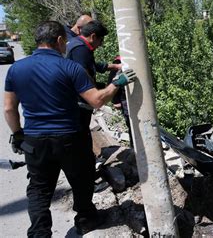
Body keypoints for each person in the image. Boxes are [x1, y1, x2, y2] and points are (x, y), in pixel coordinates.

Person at [3, 21, 137, 236]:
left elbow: (9, 109)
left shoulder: (16, 69)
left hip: (35, 140)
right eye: (65, 42)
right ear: (58, 41)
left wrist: (18, 135)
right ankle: (86, 220)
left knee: (39, 189)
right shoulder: (71, 67)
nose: (66, 45)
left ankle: (39, 233)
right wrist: (116, 83)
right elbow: (96, 100)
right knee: (81, 180)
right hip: (69, 138)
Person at [66, 20, 122, 165]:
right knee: (81, 136)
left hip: (76, 100)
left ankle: (85, 164)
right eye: (101, 40)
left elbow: (93, 65)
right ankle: (85, 168)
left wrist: (114, 66)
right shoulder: (80, 49)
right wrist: (99, 91)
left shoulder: (78, 44)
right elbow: (83, 74)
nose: (101, 44)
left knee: (81, 135)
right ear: (93, 36)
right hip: (78, 102)